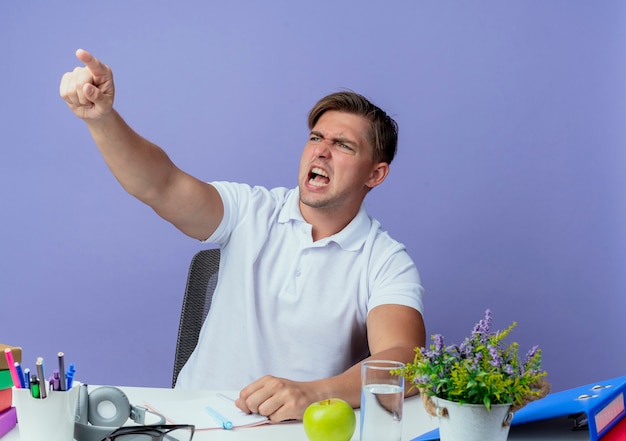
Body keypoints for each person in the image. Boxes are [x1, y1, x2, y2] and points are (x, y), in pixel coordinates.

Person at [59, 49, 426, 422]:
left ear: (375, 175)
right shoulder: (250, 209)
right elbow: (161, 185)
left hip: (292, 429)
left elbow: (407, 359)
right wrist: (102, 119)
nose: (321, 152)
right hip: (189, 422)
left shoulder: (384, 259)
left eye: (343, 145)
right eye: (316, 138)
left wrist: (313, 394)